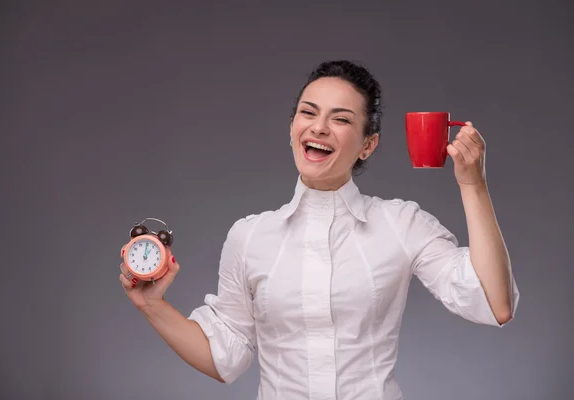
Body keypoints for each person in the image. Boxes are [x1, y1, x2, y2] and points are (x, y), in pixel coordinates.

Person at [119, 60, 520, 399]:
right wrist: (151, 304)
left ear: (368, 144)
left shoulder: (401, 224)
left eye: (341, 119)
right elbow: (224, 358)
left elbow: (493, 303)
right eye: (308, 113)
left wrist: (473, 184)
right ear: (292, 127)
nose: (320, 127)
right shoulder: (249, 237)